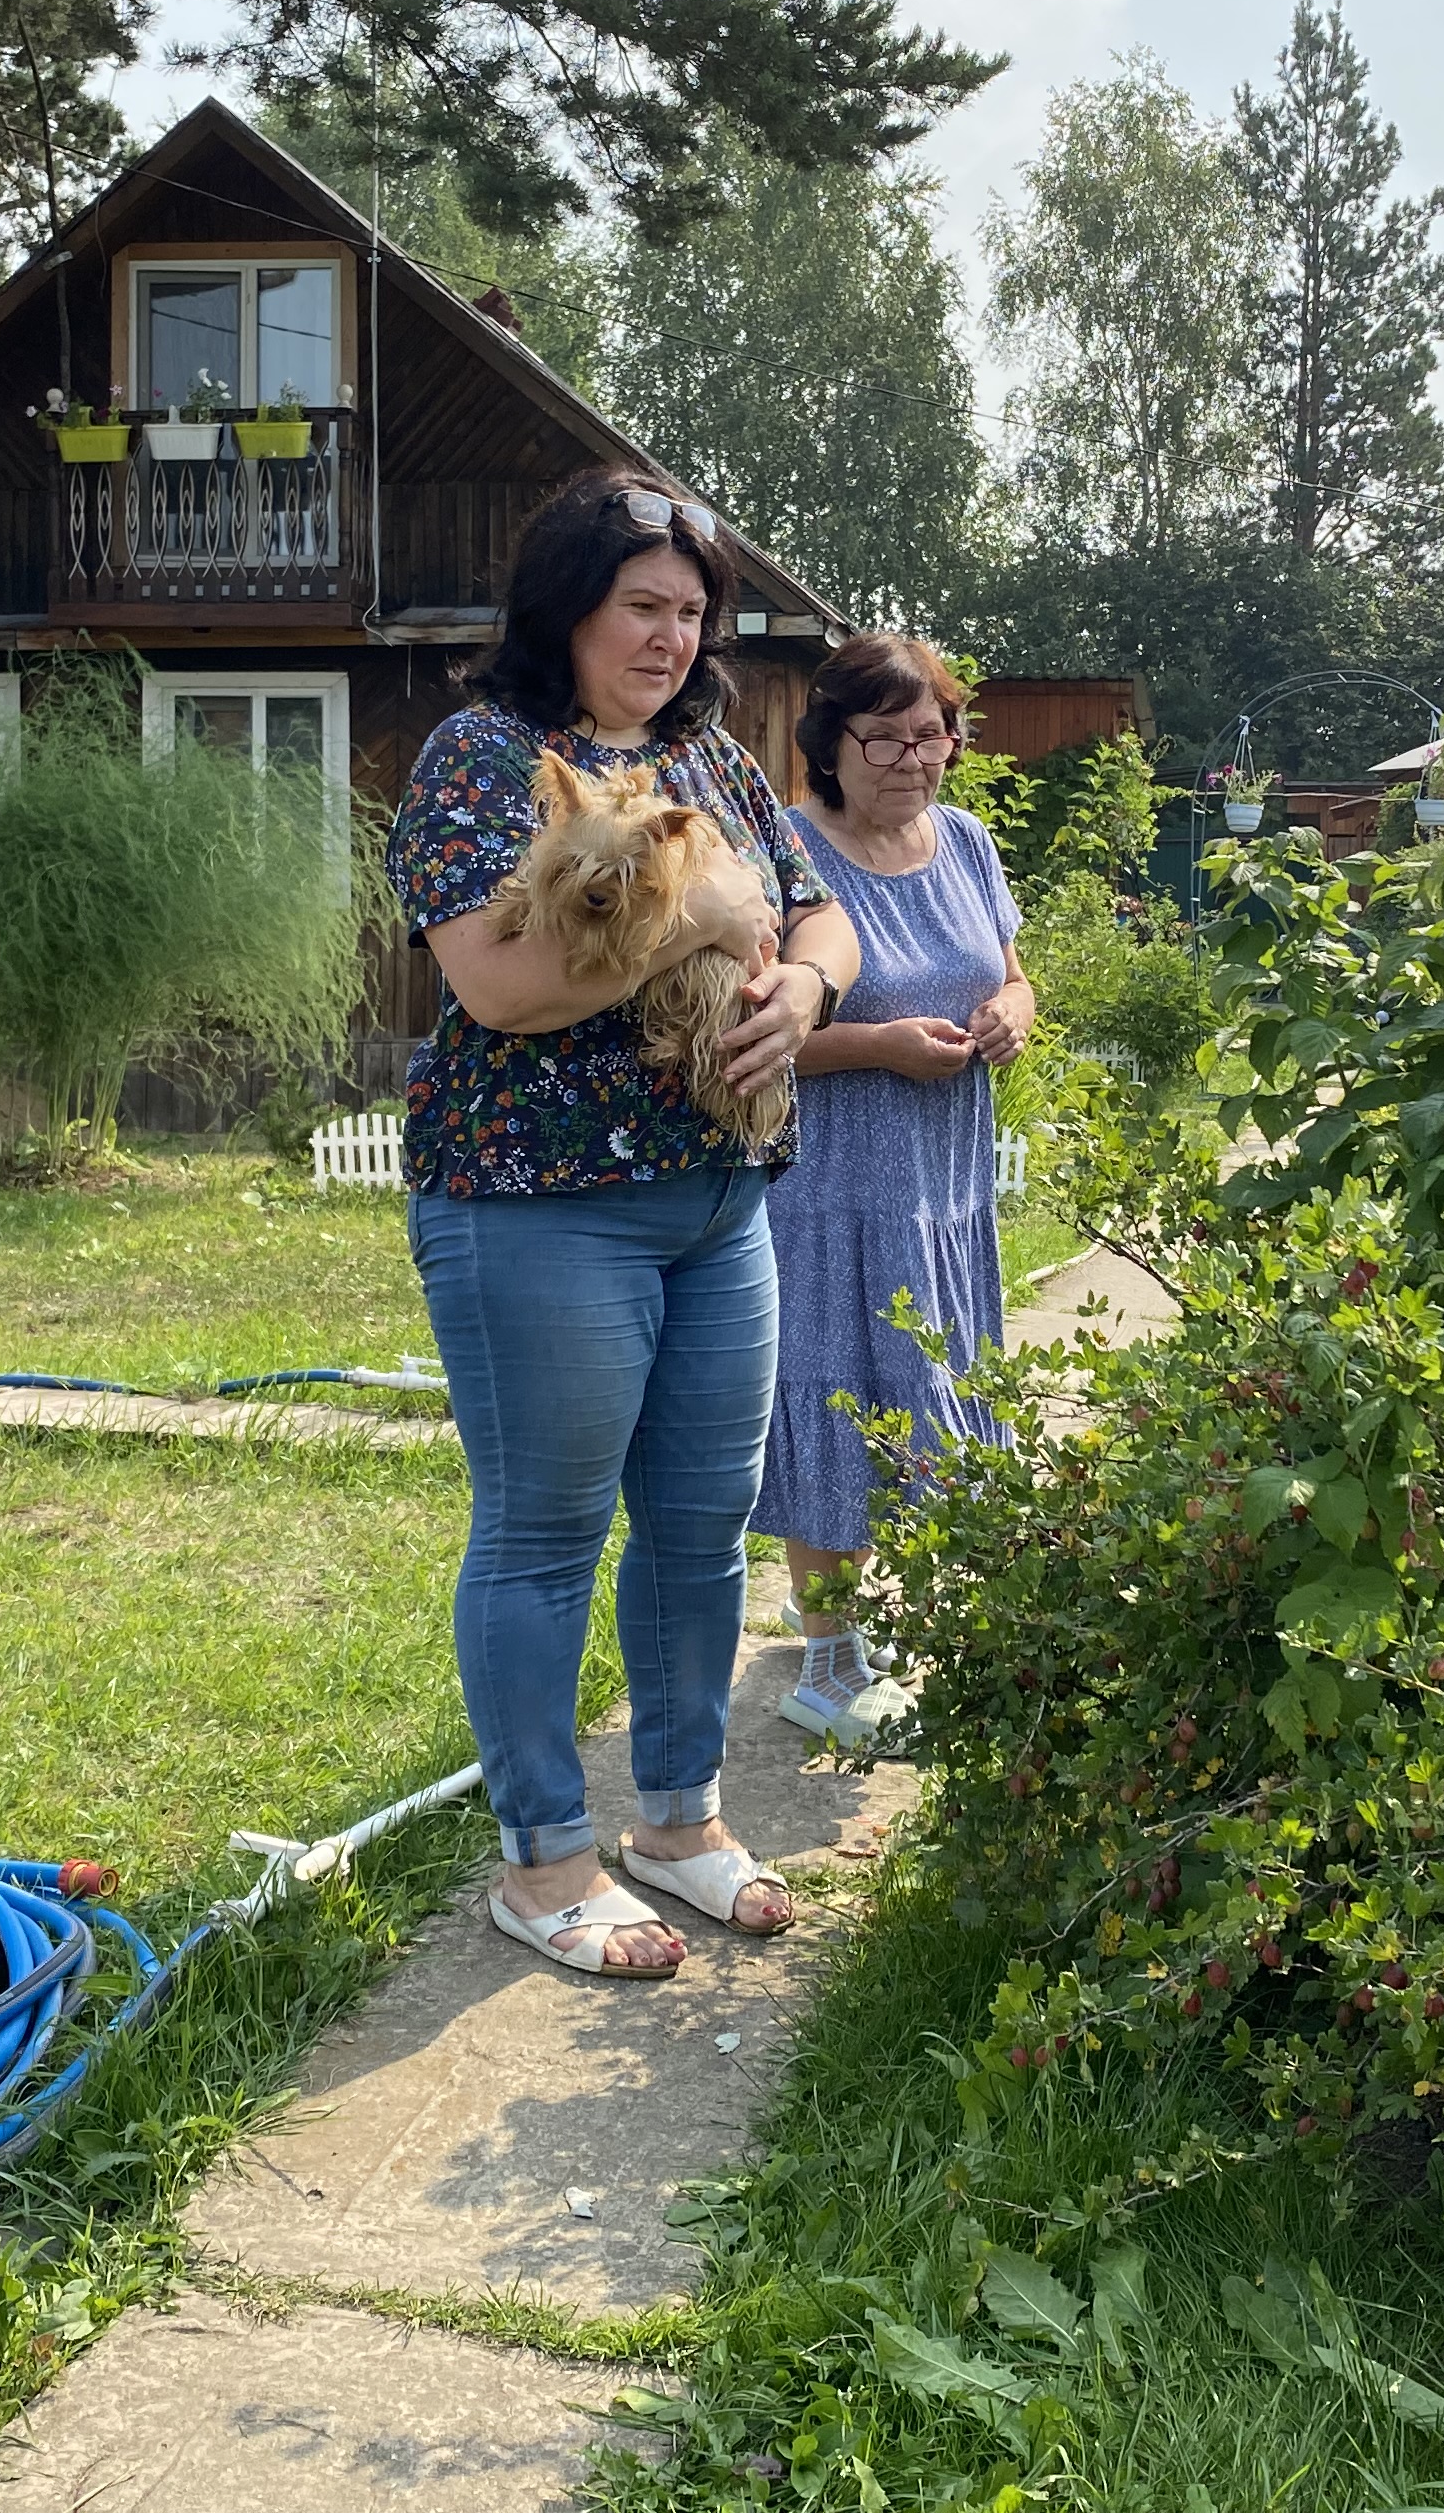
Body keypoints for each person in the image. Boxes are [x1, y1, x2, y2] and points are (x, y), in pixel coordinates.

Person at [385, 473, 867, 1980]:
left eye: (691, 613)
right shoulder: (480, 761)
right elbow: (501, 990)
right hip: (541, 1209)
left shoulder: (707, 758)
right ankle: (543, 1862)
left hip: (724, 1206)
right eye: (641, 607)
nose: (670, 637)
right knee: (543, 1532)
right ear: (571, 607)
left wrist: (801, 986)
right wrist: (709, 927)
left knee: (699, 1532)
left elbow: (817, 910)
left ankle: (678, 1824)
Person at [759, 638, 1034, 1744]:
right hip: (829, 1185)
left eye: (930, 734)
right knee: (836, 1393)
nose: (911, 758)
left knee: (930, 1390)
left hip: (945, 1185)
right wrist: (872, 1044)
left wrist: (1018, 1008)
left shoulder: (964, 841)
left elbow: (1009, 971)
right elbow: (743, 1037)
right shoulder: (783, 847)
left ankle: (892, 1618)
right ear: (828, 744)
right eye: (882, 737)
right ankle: (826, 1658)